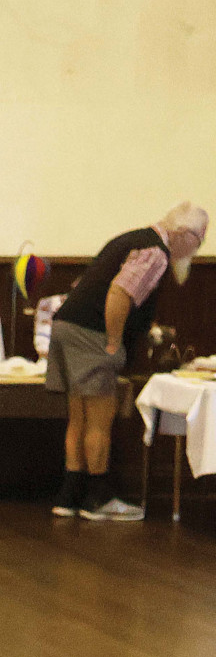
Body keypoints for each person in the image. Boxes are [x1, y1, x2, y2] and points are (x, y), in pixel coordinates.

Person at [44, 202, 206, 520]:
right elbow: (118, 294)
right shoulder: (155, 251)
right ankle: (97, 499)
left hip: (66, 326)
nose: (196, 250)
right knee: (100, 419)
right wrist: (114, 342)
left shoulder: (130, 239)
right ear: (184, 234)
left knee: (78, 416)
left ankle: (69, 496)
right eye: (199, 240)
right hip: (92, 333)